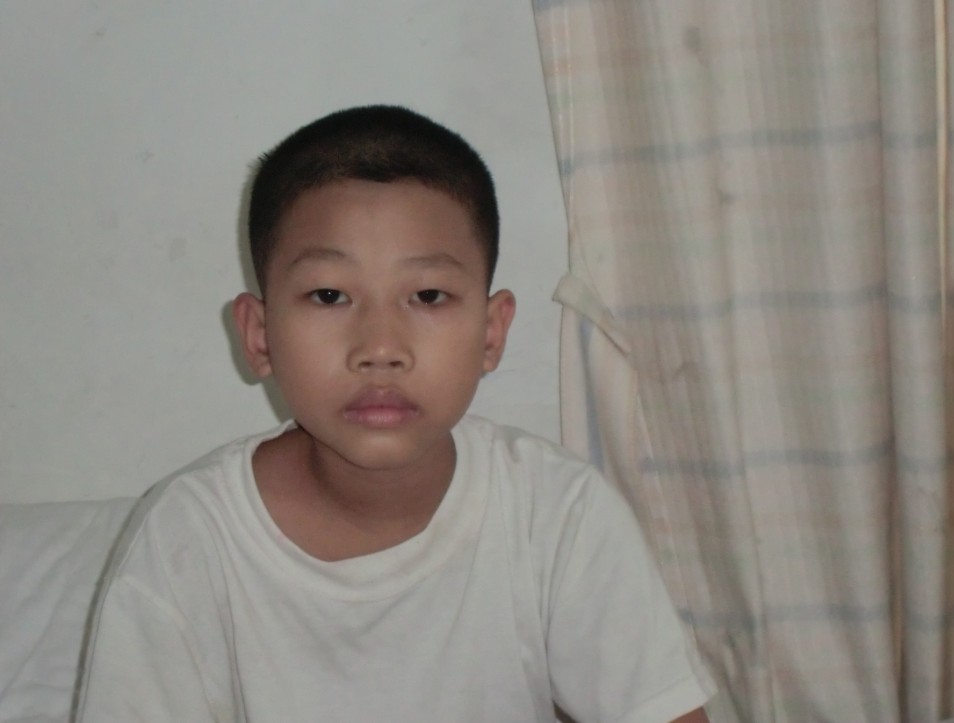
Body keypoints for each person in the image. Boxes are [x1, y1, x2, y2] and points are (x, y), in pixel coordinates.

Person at [75, 105, 714, 722]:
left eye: (428, 296)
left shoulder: (554, 513)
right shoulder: (190, 539)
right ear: (260, 335)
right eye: (330, 295)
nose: (380, 348)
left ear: (491, 333)